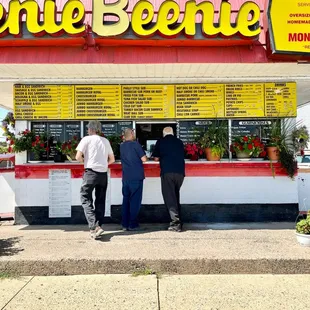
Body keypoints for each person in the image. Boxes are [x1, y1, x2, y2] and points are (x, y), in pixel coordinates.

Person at [76, 120, 115, 239]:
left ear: (90, 129)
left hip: (90, 173)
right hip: (103, 174)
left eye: (88, 128)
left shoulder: (86, 139)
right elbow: (112, 159)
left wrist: (85, 163)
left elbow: (78, 156)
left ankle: (94, 226)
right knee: (100, 200)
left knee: (85, 197)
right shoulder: (105, 141)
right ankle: (98, 226)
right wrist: (103, 165)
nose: (87, 130)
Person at [152, 127, 185, 232]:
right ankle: (179, 221)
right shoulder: (179, 142)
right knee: (175, 196)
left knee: (170, 198)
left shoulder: (161, 141)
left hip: (167, 172)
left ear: (163, 133)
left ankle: (176, 224)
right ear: (173, 133)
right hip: (180, 173)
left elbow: (156, 158)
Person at [120, 128, 147, 231]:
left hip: (126, 177)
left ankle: (124, 224)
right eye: (133, 133)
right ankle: (133, 224)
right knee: (135, 201)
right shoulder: (136, 144)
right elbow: (144, 159)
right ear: (131, 134)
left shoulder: (121, 146)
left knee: (126, 201)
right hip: (136, 177)